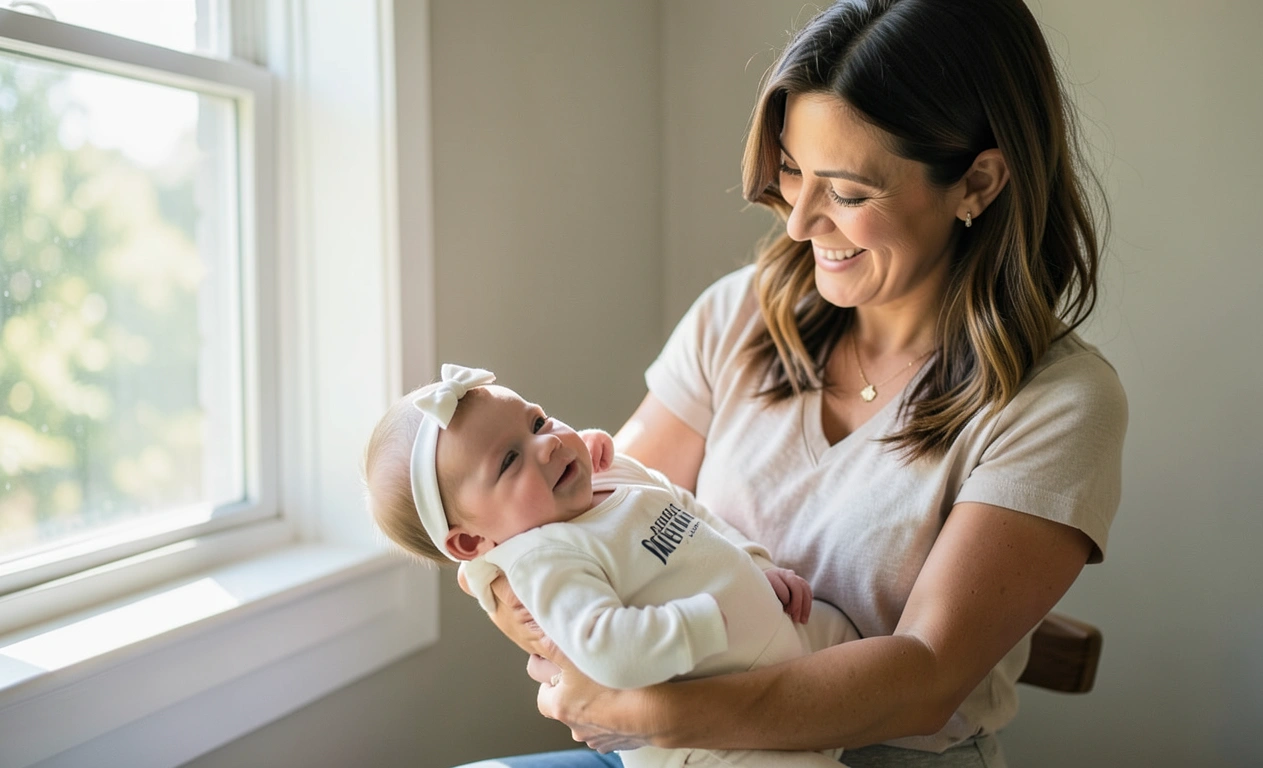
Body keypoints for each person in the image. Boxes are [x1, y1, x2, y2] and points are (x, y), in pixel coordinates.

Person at [463, 0, 1128, 766]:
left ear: (976, 182)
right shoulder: (740, 314)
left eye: (846, 193)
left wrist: (644, 709)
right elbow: (575, 519)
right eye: (791, 171)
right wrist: (532, 605)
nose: (800, 221)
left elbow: (925, 675)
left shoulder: (1058, 405)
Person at [363, 364, 861, 768]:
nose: (550, 443)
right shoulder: (543, 561)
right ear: (472, 540)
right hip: (709, 747)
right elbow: (605, 647)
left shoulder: (610, 473)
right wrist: (701, 623)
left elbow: (690, 509)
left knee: (859, 640)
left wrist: (756, 565)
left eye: (536, 422)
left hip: (782, 645)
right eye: (510, 461)